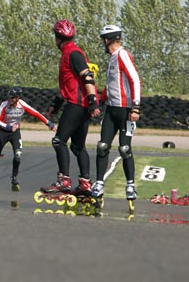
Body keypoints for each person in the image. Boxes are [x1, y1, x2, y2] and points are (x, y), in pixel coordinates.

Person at [41, 19, 101, 195]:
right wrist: (56, 104)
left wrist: (93, 102)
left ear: (57, 38)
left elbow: (87, 78)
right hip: (80, 105)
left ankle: (64, 181)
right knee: (77, 147)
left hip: (77, 105)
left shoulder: (72, 54)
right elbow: (70, 85)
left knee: (58, 141)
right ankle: (85, 184)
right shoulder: (70, 53)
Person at [91, 25, 142, 201]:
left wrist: (135, 107)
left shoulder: (122, 55)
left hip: (126, 111)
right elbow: (110, 85)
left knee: (124, 148)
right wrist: (98, 103)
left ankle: (130, 186)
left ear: (107, 40)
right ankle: (98, 183)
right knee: (102, 146)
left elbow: (134, 79)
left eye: (103, 41)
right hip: (111, 110)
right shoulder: (112, 58)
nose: (102, 45)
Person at [0, 87, 55, 190]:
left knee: (18, 155)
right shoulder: (4, 104)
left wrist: (48, 123)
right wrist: (8, 127)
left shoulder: (22, 104)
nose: (10, 99)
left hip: (15, 133)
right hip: (3, 132)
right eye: (9, 97)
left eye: (13, 98)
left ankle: (14, 177)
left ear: (18, 98)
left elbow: (36, 113)